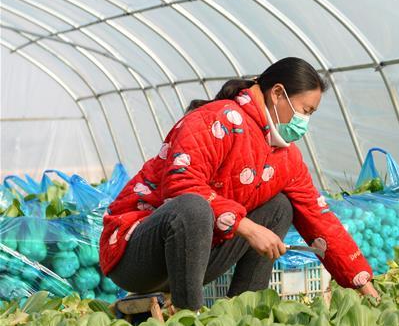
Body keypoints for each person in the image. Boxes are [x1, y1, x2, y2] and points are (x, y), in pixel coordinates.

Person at [100, 57, 379, 311]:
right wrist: (247, 228)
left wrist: (362, 284)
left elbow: (318, 217)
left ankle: (244, 311)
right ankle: (189, 318)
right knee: (193, 207)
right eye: (305, 110)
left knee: (280, 207)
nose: (304, 122)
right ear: (278, 93)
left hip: (194, 259)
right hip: (137, 256)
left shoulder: (285, 156)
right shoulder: (214, 120)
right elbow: (180, 185)